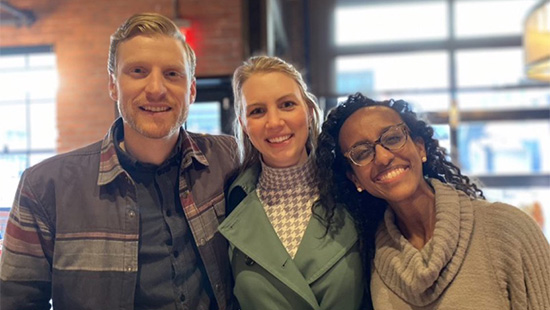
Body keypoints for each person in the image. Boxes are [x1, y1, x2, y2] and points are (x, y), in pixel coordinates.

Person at [0, 13, 239, 310]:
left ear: (191, 90)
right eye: (138, 71)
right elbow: (14, 302)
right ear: (113, 85)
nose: (155, 89)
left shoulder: (228, 159)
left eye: (172, 74)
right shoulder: (45, 188)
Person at [315, 93, 550, 310]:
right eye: (362, 153)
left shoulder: (507, 229)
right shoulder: (370, 260)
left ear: (420, 147)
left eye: (393, 138)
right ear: (355, 179)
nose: (384, 157)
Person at [218, 56, 364, 310]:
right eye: (257, 111)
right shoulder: (232, 198)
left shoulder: (353, 188)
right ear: (243, 124)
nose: (274, 123)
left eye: (287, 104)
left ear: (308, 112)